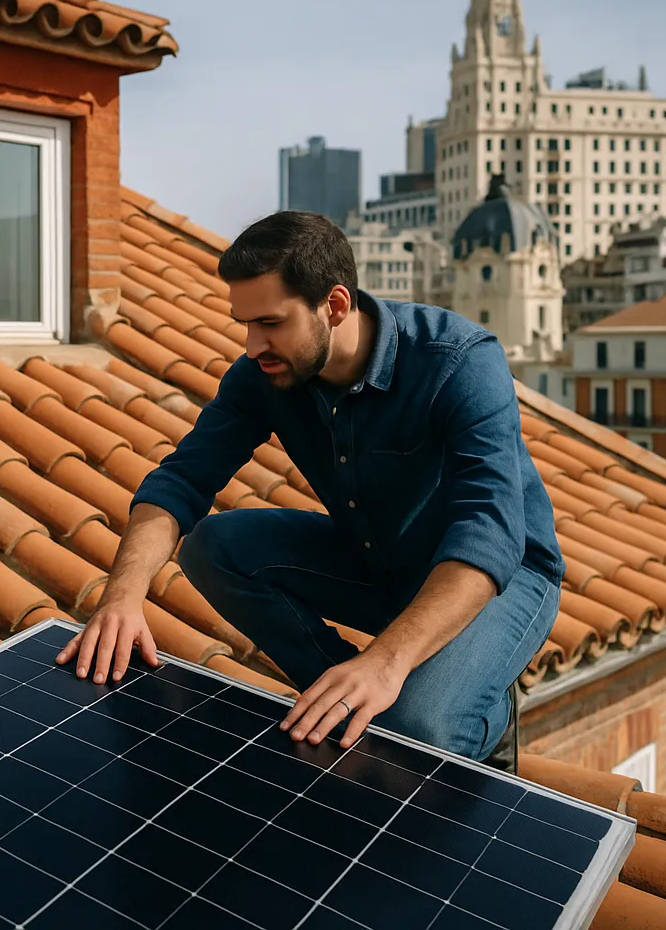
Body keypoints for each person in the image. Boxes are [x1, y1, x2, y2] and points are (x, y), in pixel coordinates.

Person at [58, 210, 561, 769]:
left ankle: (478, 718)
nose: (253, 345)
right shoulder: (265, 373)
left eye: (270, 323)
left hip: (501, 576)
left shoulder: (459, 361)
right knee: (212, 548)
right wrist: (121, 598)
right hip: (380, 558)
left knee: (418, 731)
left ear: (335, 305)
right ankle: (343, 696)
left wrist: (386, 662)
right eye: (245, 324)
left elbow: (488, 533)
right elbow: (181, 480)